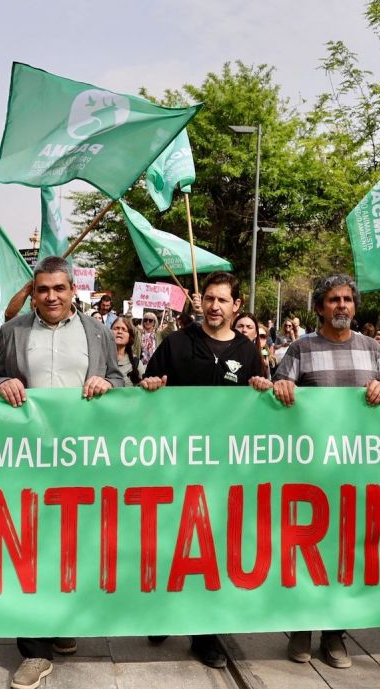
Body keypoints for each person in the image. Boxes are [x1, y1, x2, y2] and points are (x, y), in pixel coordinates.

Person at [0, 255, 124, 689]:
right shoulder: (13, 331)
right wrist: (1, 384)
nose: (51, 297)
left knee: (72, 546)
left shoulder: (97, 332)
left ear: (72, 290)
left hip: (82, 460)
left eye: (59, 289)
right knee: (29, 548)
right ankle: (33, 651)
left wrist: (108, 384)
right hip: (28, 459)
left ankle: (62, 622)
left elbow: (121, 381)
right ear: (35, 292)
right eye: (43, 289)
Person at [264, 274, 380, 669]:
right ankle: (302, 628)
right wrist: (281, 388)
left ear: (355, 307)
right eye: (333, 300)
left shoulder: (372, 349)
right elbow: (278, 388)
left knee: (346, 554)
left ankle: (335, 635)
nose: (341, 306)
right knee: (307, 551)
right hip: (309, 473)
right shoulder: (301, 348)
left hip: (356, 473)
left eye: (348, 300)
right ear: (319, 307)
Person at [140, 271, 265, 669]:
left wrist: (267, 389)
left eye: (223, 300)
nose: (214, 307)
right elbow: (146, 388)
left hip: (223, 472)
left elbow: (262, 400)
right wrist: (152, 386)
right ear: (201, 301)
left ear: (236, 306)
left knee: (211, 553)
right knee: (170, 546)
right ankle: (162, 613)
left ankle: (205, 636)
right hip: (174, 466)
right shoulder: (176, 343)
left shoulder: (248, 352)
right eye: (209, 299)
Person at [110, 317, 141, 385]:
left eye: (124, 330)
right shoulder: (101, 358)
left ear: (129, 337)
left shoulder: (136, 362)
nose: (119, 332)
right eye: (116, 328)